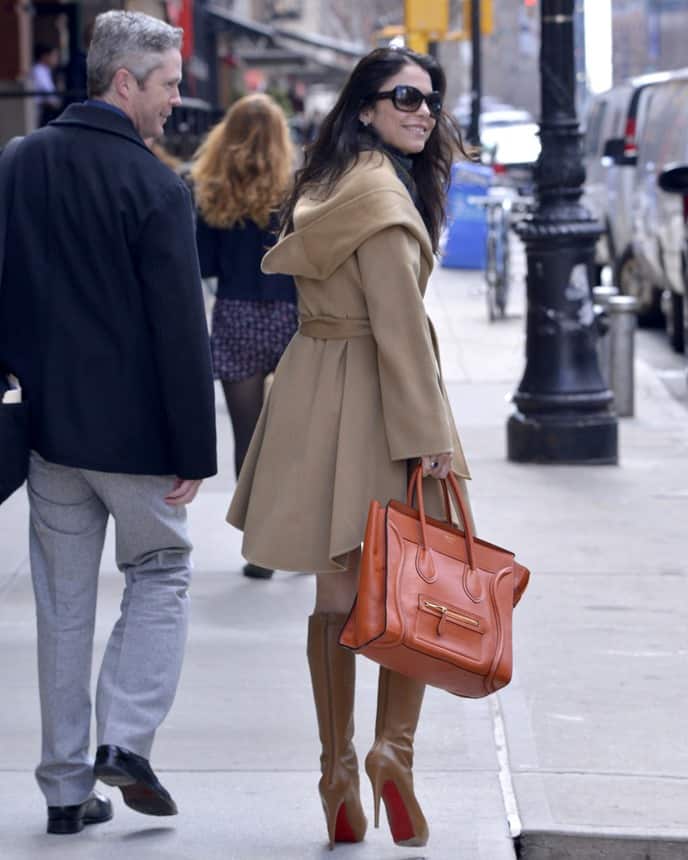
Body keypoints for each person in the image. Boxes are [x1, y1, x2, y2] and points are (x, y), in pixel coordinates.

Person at [227, 46, 472, 848]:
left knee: (335, 598)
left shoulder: (328, 183)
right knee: (409, 592)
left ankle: (336, 773)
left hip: (313, 392)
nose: (423, 110)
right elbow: (399, 328)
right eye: (404, 97)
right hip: (380, 402)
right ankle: (391, 752)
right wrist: (431, 438)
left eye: (430, 99)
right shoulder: (384, 201)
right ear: (364, 105)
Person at [0, 11, 216, 835]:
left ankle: (64, 792)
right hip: (137, 440)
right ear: (124, 82)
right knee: (160, 571)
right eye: (166, 84)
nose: (175, 100)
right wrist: (195, 447)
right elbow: (178, 331)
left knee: (61, 605)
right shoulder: (155, 186)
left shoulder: (18, 161)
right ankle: (124, 740)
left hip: (50, 432)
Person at [191, 93, 297, 580]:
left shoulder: (211, 190)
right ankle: (305, 540)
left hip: (236, 314)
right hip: (293, 316)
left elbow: (204, 264)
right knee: (301, 434)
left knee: (248, 437)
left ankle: (258, 547)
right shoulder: (299, 190)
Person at [30, 43, 62, 127]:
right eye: (54, 56)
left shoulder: (45, 70)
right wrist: (56, 103)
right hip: (40, 112)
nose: (56, 59)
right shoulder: (38, 70)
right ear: (44, 56)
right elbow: (49, 95)